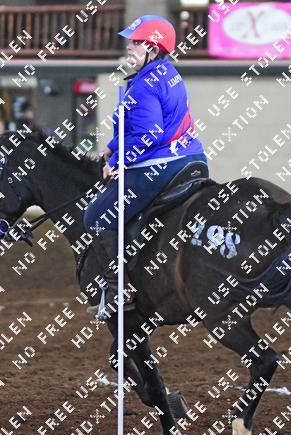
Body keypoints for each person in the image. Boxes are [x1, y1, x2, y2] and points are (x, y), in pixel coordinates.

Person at [84, 15, 207, 320]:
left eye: (136, 42)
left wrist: (116, 162)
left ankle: (119, 290)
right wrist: (113, 146)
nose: (129, 46)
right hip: (191, 157)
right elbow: (145, 126)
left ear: (153, 48)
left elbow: (149, 135)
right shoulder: (167, 73)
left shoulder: (142, 86)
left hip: (161, 163)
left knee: (97, 216)